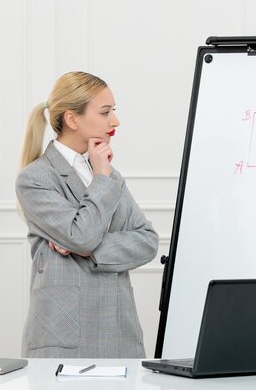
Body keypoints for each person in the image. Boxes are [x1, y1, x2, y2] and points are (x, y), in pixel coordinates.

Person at [16, 71, 158, 358]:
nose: (115, 121)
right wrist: (82, 239)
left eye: (113, 111)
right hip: (64, 340)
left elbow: (147, 241)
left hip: (119, 335)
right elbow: (83, 236)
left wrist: (88, 251)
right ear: (72, 119)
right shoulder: (35, 178)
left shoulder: (108, 174)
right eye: (105, 112)